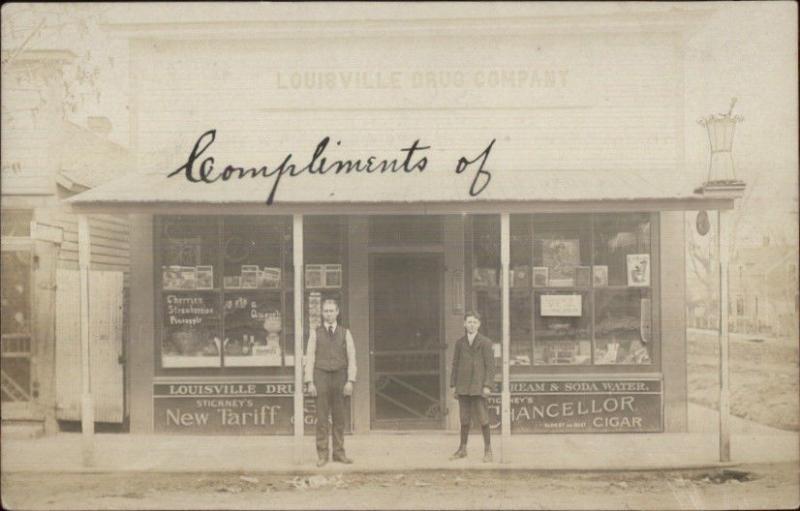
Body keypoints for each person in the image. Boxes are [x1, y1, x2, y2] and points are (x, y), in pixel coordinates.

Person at [304, 298, 357, 467]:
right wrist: (310, 382)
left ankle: (339, 453)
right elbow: (310, 358)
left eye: (331, 311)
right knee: (321, 418)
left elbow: (352, 358)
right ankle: (322, 455)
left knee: (340, 418)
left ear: (337, 312)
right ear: (322, 313)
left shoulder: (345, 333)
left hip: (340, 377)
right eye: (325, 311)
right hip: (321, 376)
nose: (328, 314)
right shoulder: (315, 333)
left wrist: (350, 380)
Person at [449, 310, 495, 462]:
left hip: (479, 387)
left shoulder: (486, 343)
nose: (472, 325)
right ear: (464, 324)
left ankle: (488, 451)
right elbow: (455, 364)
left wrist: (487, 385)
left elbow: (490, 367)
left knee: (483, 419)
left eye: (474, 322)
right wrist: (453, 384)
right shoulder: (460, 343)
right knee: (464, 419)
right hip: (463, 387)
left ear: (479, 324)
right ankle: (462, 449)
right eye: (469, 322)